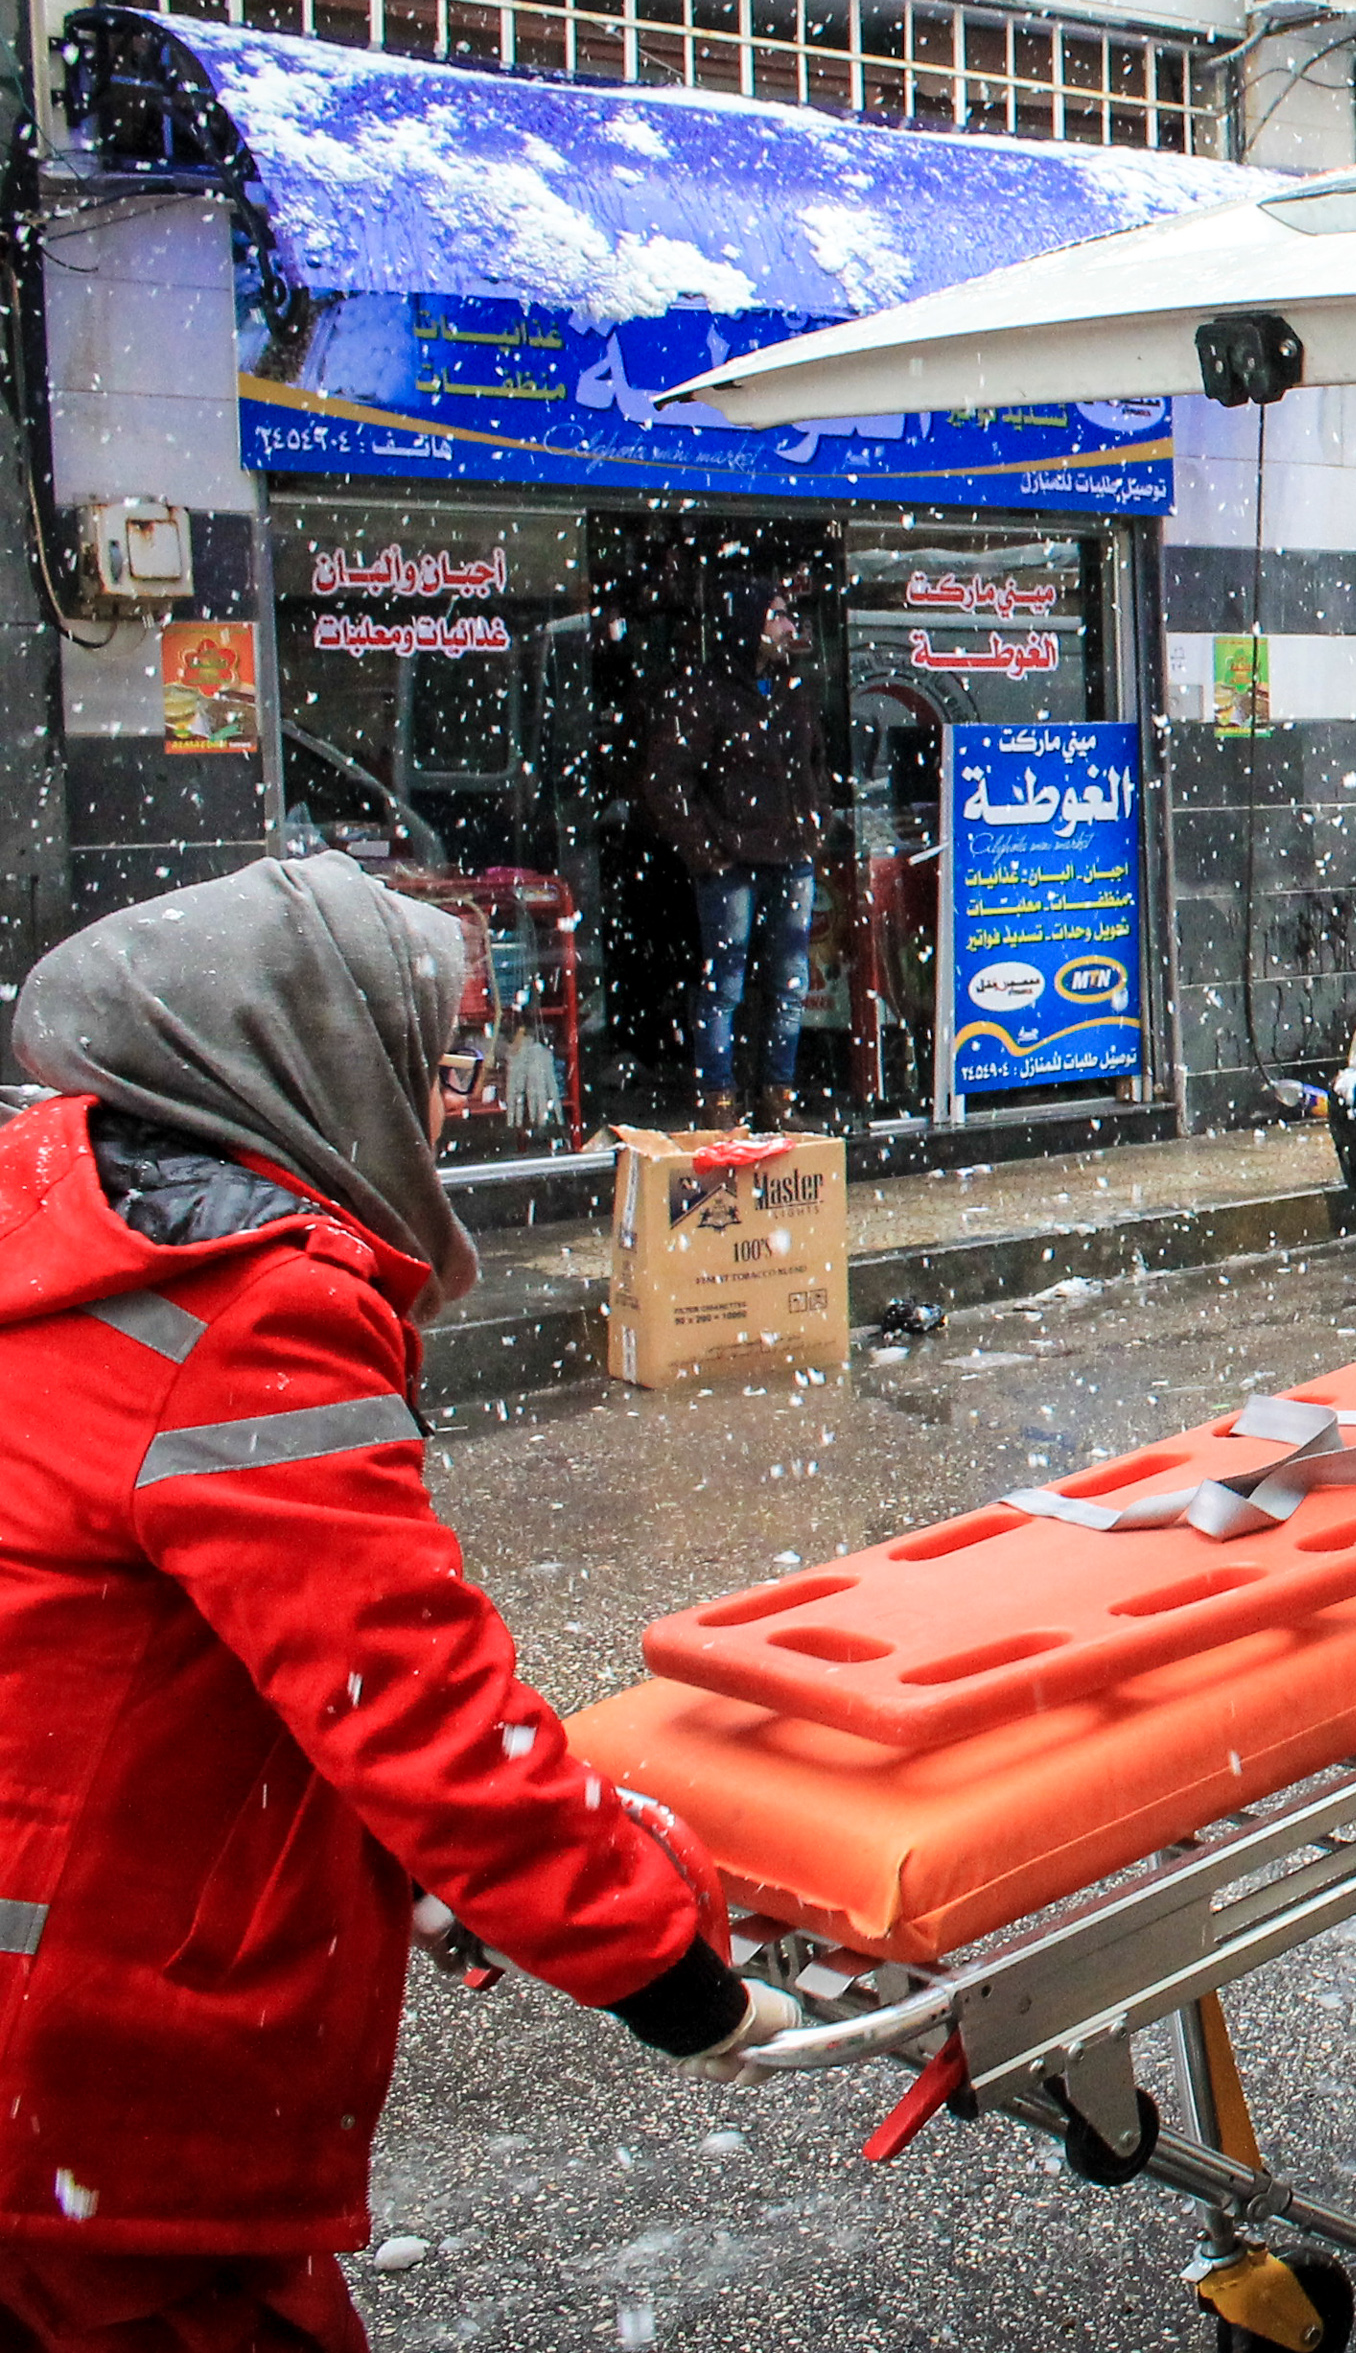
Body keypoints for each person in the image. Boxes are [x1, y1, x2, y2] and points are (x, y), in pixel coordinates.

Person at [0, 856, 793, 2352]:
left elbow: (194, 1656)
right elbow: (407, 1696)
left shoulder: (65, 1231)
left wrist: (397, 1865)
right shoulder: (246, 1310)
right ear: (313, 1057)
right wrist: (662, 1967)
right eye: (433, 1066)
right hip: (99, 2092)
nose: (451, 1106)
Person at [641, 574, 825, 1133]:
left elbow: (814, 765)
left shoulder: (795, 690)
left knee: (789, 984)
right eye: (776, 615)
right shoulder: (705, 691)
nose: (789, 626)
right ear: (747, 624)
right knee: (724, 987)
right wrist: (709, 852)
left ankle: (777, 1102)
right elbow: (664, 780)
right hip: (733, 863)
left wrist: (817, 822)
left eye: (788, 615)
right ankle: (720, 1104)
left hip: (791, 856)